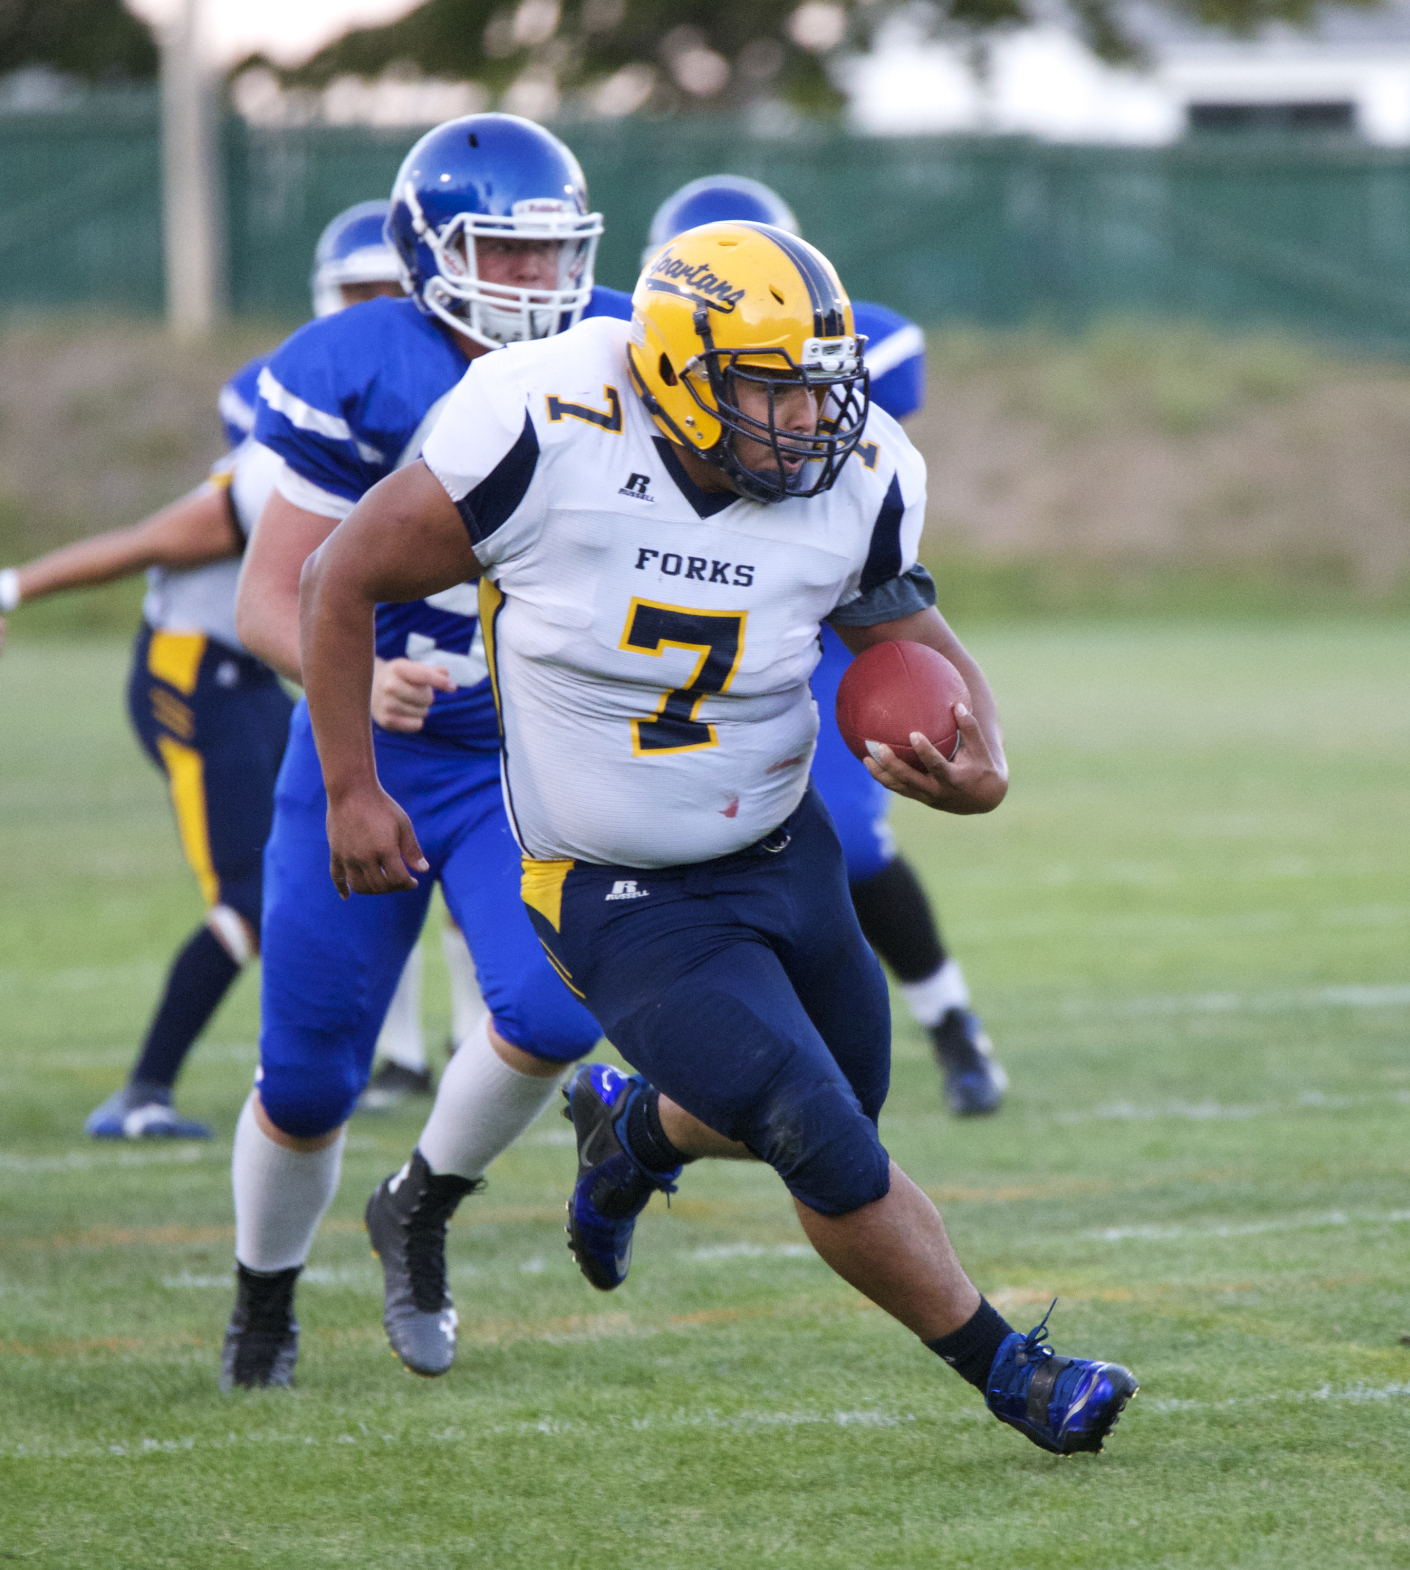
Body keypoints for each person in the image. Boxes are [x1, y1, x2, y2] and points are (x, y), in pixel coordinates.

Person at [298, 220, 1139, 1454]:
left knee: (839, 1100)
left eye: (818, 387)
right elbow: (337, 575)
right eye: (771, 389)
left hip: (782, 849)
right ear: (679, 374)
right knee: (820, 1132)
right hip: (611, 881)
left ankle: (633, 1131)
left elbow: (915, 641)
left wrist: (984, 763)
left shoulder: (857, 475)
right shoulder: (545, 424)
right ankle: (1016, 1373)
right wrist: (350, 786)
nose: (807, 421)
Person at [220, 112, 634, 1391]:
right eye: (504, 252)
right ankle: (264, 1301)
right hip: (370, 749)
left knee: (555, 1008)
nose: (534, 277)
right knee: (309, 1079)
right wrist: (346, 681)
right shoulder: (361, 365)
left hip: (521, 755)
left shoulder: (618, 348)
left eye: (550, 250)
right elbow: (266, 598)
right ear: (429, 252)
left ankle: (422, 1203)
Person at [0, 201, 407, 1142]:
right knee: (252, 896)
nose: (379, 312)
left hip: (254, 675)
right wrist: (13, 586)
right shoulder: (278, 459)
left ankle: (370, 1061)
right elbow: (146, 542)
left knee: (300, 872)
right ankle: (143, 1091)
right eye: (362, 293)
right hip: (194, 672)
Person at [643, 175, 1005, 1116]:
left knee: (851, 838)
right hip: (672, 632)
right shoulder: (601, 373)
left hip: (812, 617)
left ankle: (951, 1020)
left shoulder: (866, 353)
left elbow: (842, 479)